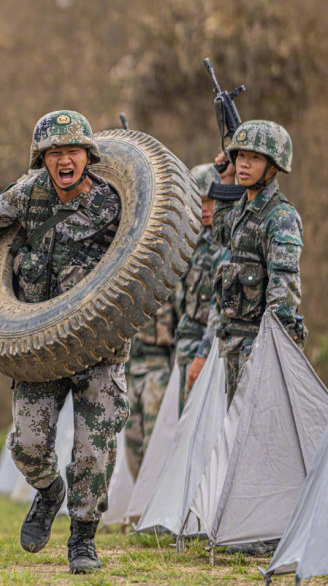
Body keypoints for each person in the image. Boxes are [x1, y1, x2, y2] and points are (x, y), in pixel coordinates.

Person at [0, 110, 128, 574]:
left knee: (93, 450)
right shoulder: (28, 195)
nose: (64, 160)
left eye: (72, 150)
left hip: (98, 346)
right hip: (38, 346)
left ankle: (82, 540)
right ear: (42, 159)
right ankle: (48, 493)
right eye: (54, 153)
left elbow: (146, 256)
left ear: (88, 155)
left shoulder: (113, 204)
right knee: (26, 445)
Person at [186, 121, 304, 404]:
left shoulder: (280, 218)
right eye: (240, 156)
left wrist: (266, 352)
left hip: (260, 348)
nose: (244, 164)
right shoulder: (242, 210)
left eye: (255, 158)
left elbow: (283, 297)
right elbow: (220, 234)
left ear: (273, 167)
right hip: (235, 345)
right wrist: (225, 181)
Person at [173, 164, 222, 414]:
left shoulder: (223, 243)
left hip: (210, 348)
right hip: (187, 344)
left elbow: (219, 308)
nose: (204, 208)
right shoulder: (193, 240)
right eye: (198, 201)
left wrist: (203, 352)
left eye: (210, 200)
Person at [123, 298, 176, 479]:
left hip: (157, 367)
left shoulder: (167, 283)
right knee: (132, 441)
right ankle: (141, 492)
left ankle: (153, 496)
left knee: (154, 440)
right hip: (131, 369)